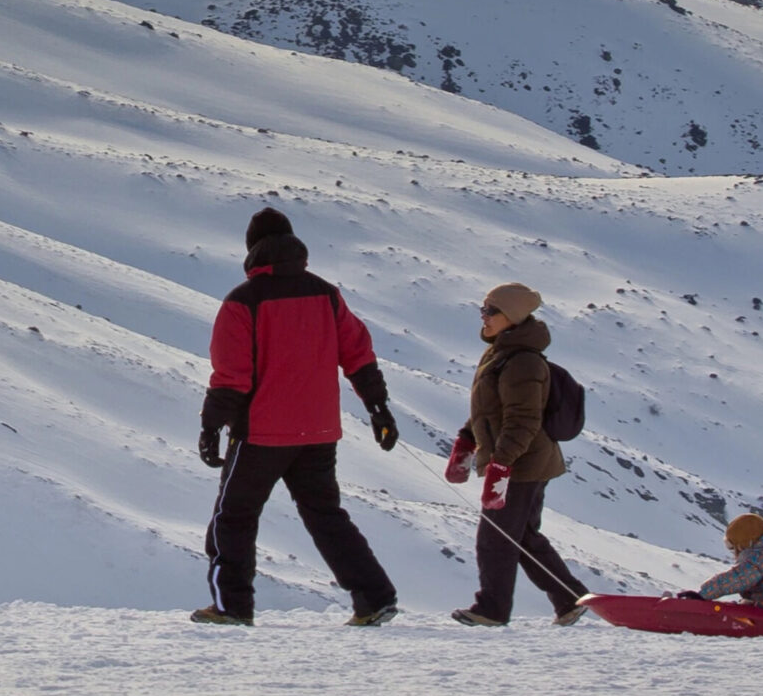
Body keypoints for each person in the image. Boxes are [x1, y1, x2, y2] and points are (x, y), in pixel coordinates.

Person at [192, 207, 401, 626]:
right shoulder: (325, 294)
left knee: (232, 518)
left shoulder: (242, 301)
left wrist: (211, 426)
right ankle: (374, 598)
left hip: (261, 434)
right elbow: (358, 354)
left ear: (253, 249)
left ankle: (233, 606)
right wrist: (378, 408)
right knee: (326, 516)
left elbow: (231, 375)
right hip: (319, 431)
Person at [443, 282, 591, 627]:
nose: (484, 316)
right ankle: (570, 599)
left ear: (512, 316)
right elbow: (488, 410)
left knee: (495, 538)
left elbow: (522, 420)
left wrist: (501, 464)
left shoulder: (522, 360)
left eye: (491, 311)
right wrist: (465, 442)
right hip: (523, 462)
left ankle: (491, 610)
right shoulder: (502, 352)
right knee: (522, 537)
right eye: (483, 309)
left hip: (522, 464)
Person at [680, 512, 763, 610]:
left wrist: (703, 595)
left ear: (746, 543)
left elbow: (737, 578)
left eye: (733, 548)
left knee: (725, 612)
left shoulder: (761, 555)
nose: (734, 553)